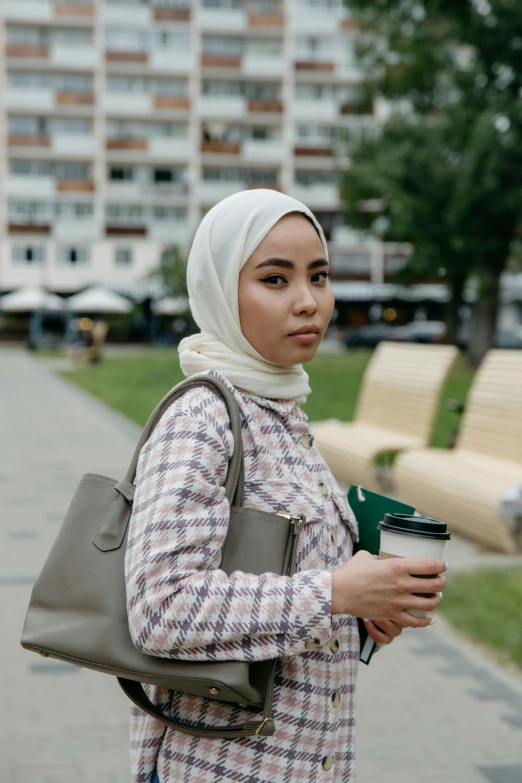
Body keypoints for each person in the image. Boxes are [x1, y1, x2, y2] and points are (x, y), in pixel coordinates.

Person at [124, 189, 447, 783]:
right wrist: (337, 595)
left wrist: (369, 605)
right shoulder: (205, 418)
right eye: (275, 280)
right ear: (222, 289)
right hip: (220, 766)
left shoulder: (280, 410)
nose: (308, 302)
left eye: (318, 276)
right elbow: (161, 610)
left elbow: (282, 587)